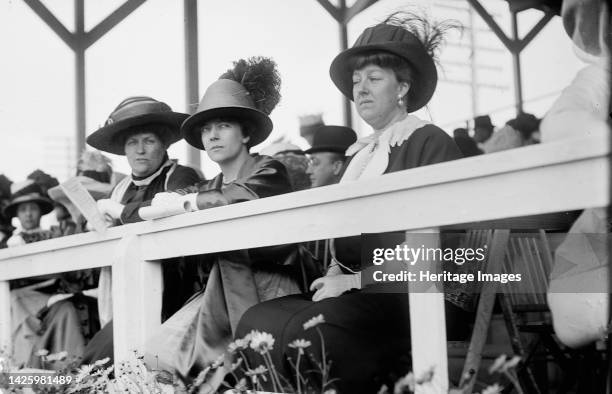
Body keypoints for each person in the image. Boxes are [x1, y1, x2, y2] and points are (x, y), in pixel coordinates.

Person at [235, 12, 468, 393]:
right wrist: (336, 275)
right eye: (356, 81)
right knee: (257, 321)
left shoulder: (428, 141)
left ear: (403, 87)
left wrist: (358, 280)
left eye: (374, 79)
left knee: (316, 331)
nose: (360, 89)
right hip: (362, 292)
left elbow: (444, 244)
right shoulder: (360, 155)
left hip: (419, 293)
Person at [142, 56, 314, 383]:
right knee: (159, 354)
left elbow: (239, 197)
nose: (213, 136)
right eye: (206, 129)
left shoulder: (270, 169)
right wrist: (172, 200)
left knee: (251, 367)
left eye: (223, 126)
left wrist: (184, 201)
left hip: (271, 283)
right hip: (220, 287)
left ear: (246, 133)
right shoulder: (209, 185)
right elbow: (175, 201)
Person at [80, 96, 200, 363]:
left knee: (98, 361)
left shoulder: (181, 176)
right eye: (132, 142)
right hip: (126, 291)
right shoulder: (120, 189)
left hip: (174, 291)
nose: (140, 150)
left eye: (149, 141)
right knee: (99, 359)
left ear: (164, 144)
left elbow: (167, 207)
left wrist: (119, 212)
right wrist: (96, 227)